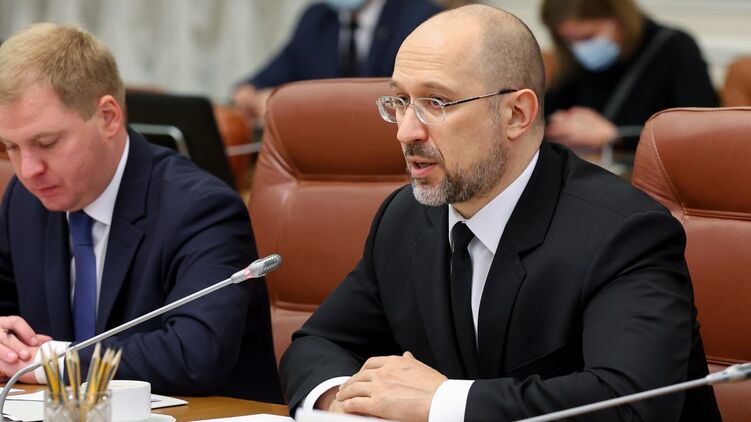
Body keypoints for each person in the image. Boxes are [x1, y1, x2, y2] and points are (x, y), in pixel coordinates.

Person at [280, 5, 721, 421]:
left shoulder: (623, 232)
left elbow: (631, 405)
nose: (405, 131)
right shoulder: (404, 217)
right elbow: (319, 343)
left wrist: (442, 402)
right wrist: (343, 401)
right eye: (399, 101)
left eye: (436, 102)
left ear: (516, 114)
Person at [0, 23, 283, 403]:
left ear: (108, 117)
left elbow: (195, 352)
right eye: (10, 147)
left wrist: (50, 362)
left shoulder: (201, 209)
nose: (28, 169)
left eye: (46, 142)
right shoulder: (25, 201)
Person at [541, 0, 717, 151]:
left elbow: (702, 132)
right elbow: (547, 111)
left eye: (587, 37)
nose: (580, 49)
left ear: (618, 19)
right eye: (568, 41)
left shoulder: (676, 48)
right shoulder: (573, 58)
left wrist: (617, 136)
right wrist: (558, 123)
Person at [232, 0, 441, 124]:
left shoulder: (422, 18)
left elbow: (398, 98)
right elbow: (278, 69)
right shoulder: (316, 18)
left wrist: (287, 103)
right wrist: (248, 93)